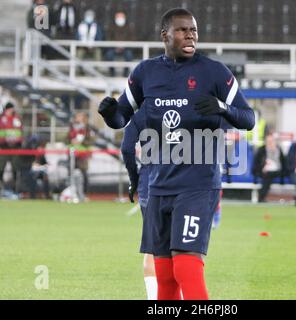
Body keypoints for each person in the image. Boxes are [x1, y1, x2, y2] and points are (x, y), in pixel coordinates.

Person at [98, 8, 255, 300]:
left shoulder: (214, 72)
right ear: (165, 35)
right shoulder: (146, 72)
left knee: (186, 266)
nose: (190, 35)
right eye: (183, 30)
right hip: (158, 186)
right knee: (165, 275)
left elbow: (248, 119)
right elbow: (122, 117)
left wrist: (223, 109)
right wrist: (110, 115)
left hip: (197, 185)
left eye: (193, 30)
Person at [121, 110, 157, 300]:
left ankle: (154, 300)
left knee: (152, 248)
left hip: (147, 183)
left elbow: (127, 148)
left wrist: (134, 179)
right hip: (178, 185)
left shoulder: (141, 113)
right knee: (181, 249)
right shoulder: (181, 104)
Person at [0, 102, 23, 192]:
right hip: (4, 148)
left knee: (15, 169)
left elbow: (20, 132)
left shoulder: (17, 119)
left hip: (15, 148)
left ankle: (16, 189)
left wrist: (19, 143)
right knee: (1, 169)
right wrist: (0, 144)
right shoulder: (2, 119)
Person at [252, 133, 285, 203]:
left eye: (271, 141)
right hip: (264, 171)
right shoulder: (262, 150)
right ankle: (262, 197)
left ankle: (261, 196)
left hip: (278, 171)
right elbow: (257, 163)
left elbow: (283, 162)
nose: (270, 143)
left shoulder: (278, 149)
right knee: (268, 174)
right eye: (268, 141)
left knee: (269, 175)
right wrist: (263, 168)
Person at [66, 112, 94, 195]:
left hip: (82, 155)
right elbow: (66, 139)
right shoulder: (71, 128)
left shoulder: (88, 129)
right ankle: (72, 193)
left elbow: (90, 141)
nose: (77, 119)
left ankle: (84, 194)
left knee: (83, 175)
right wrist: (71, 141)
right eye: (77, 117)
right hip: (72, 155)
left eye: (80, 117)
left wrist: (81, 142)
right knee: (71, 174)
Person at [104, 11, 135, 77]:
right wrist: (115, 46)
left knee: (129, 55)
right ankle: (112, 74)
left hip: (126, 48)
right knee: (109, 55)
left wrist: (124, 46)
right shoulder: (110, 27)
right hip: (114, 48)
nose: (120, 18)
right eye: (118, 17)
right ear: (115, 18)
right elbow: (108, 38)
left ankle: (125, 74)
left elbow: (132, 39)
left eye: (121, 17)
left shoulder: (129, 27)